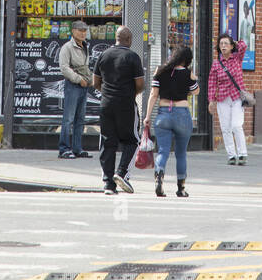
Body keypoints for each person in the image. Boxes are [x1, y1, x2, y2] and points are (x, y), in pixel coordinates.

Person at [92, 26, 145, 195]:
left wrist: (108, 94)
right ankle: (121, 173)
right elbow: (140, 84)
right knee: (132, 140)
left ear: (116, 38)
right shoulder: (132, 57)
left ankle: (108, 184)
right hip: (126, 104)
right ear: (129, 40)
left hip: (106, 104)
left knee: (107, 142)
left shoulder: (104, 54)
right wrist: (130, 94)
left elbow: (95, 82)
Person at [142, 45, 199, 197]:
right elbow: (196, 91)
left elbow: (153, 95)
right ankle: (181, 188)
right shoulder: (188, 74)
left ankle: (159, 178)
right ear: (187, 60)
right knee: (181, 153)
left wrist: (147, 116)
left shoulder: (160, 71)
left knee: (162, 151)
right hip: (182, 114)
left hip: (163, 114)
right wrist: (193, 79)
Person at [207, 33, 250, 165]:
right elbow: (212, 82)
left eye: (226, 44)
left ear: (231, 46)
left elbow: (244, 45)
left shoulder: (237, 58)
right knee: (225, 128)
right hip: (222, 98)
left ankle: (242, 154)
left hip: (237, 97)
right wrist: (211, 100)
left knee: (236, 125)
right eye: (221, 44)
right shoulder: (216, 64)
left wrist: (235, 42)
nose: (223, 46)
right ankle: (231, 155)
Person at [58, 21, 91, 159]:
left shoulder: (85, 46)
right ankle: (64, 149)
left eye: (85, 30)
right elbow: (64, 68)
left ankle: (77, 148)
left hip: (83, 86)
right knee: (68, 119)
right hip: (73, 85)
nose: (83, 33)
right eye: (80, 30)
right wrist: (79, 79)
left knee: (80, 119)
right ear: (73, 31)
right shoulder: (67, 47)